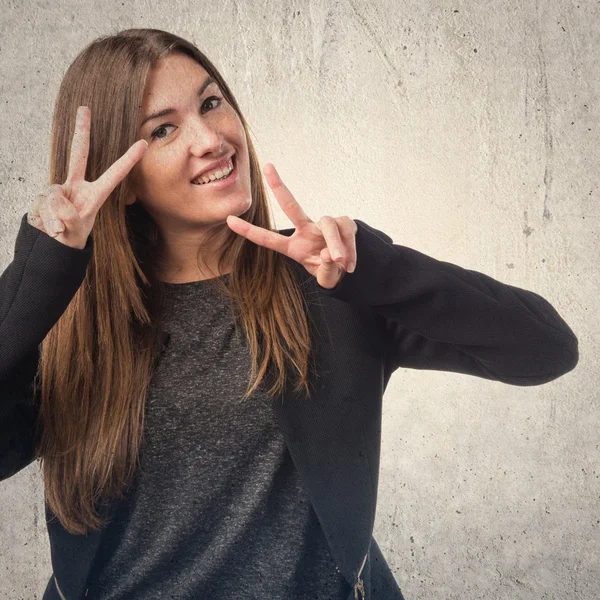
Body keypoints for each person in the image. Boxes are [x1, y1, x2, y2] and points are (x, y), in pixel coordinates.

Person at [0, 28, 578, 600]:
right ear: (121, 179)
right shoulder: (66, 312)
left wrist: (377, 270)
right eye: (163, 129)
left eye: (211, 102)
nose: (210, 139)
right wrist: (41, 271)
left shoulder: (330, 280)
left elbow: (545, 349)